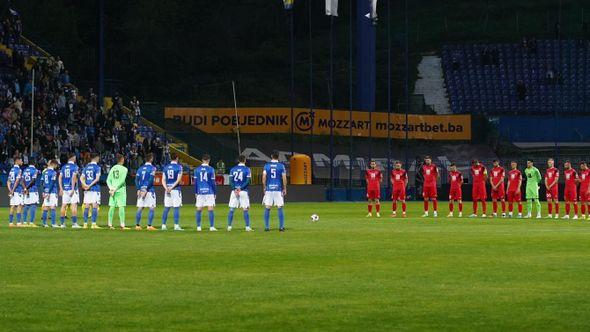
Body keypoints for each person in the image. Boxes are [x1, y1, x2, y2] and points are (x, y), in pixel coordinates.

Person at [262, 151, 287, 231]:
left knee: (268, 207)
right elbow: (284, 178)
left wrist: (264, 186)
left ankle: (266, 227)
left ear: (271, 156)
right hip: (278, 189)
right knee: (279, 207)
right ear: (278, 156)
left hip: (269, 189)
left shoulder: (267, 165)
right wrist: (285, 188)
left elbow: (264, 177)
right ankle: (281, 227)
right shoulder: (281, 166)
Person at [227, 155, 252, 231]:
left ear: (238, 160)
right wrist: (240, 188)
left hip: (234, 191)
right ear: (245, 160)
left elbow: (230, 181)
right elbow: (248, 181)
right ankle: (247, 227)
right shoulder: (247, 169)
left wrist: (235, 189)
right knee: (245, 209)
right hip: (243, 191)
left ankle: (229, 227)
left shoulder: (232, 169)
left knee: (231, 209)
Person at [135, 153, 157, 230]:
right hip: (149, 190)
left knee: (140, 207)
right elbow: (151, 180)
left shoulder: (140, 168)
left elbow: (136, 180)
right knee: (151, 207)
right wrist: (146, 190)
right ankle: (149, 226)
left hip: (141, 190)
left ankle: (137, 225)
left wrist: (138, 189)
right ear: (151, 159)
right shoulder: (153, 168)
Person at [195, 154, 217, 232]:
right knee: (210, 209)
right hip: (209, 191)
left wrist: (196, 192)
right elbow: (213, 182)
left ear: (202, 160)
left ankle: (198, 227)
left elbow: (196, 182)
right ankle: (211, 227)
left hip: (200, 191)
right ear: (209, 160)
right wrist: (215, 192)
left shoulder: (197, 169)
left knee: (199, 209)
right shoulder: (211, 169)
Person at [161, 154, 183, 231]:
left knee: (166, 208)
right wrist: (171, 187)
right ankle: (176, 226)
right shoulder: (179, 167)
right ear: (177, 158)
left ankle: (163, 225)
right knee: (176, 208)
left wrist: (167, 188)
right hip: (175, 190)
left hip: (167, 190)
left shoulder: (165, 167)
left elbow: (163, 180)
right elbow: (178, 180)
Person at [106, 154, 129, 229]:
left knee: (112, 206)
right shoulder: (124, 169)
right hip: (120, 190)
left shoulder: (112, 168)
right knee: (121, 206)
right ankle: (122, 225)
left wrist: (111, 189)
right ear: (122, 160)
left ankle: (110, 224)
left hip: (112, 190)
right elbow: (122, 181)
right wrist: (115, 189)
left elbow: (108, 180)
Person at [80, 153, 102, 229]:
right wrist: (89, 186)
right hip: (94, 189)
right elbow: (97, 179)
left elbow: (81, 178)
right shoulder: (97, 167)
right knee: (95, 205)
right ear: (96, 158)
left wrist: (85, 185)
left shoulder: (86, 167)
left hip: (87, 190)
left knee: (86, 205)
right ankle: (93, 224)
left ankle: (85, 224)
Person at [59, 154, 80, 228]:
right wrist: (73, 188)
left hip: (65, 189)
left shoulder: (63, 167)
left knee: (64, 205)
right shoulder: (75, 167)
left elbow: (60, 177)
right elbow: (74, 177)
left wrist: (61, 188)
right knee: (74, 205)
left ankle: (62, 224)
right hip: (72, 189)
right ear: (73, 158)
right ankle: (74, 224)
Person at [41, 160, 60, 227]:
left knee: (46, 207)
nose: (57, 166)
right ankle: (53, 223)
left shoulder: (44, 172)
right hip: (52, 192)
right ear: (53, 164)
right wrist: (49, 192)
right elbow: (52, 183)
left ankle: (44, 223)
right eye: (56, 165)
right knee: (53, 207)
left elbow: (42, 183)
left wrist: (44, 191)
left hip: (46, 191)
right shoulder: (54, 172)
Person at [21, 160, 39, 227]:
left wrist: (25, 188)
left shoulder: (25, 170)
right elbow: (33, 180)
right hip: (33, 190)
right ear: (34, 163)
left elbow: (22, 181)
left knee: (26, 205)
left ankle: (24, 222)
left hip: (26, 191)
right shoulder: (35, 170)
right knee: (33, 205)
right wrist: (27, 188)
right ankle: (31, 222)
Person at [7, 156, 24, 227]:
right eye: (21, 160)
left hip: (13, 191)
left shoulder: (11, 170)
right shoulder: (19, 170)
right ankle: (18, 223)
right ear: (17, 161)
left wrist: (10, 190)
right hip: (17, 190)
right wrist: (13, 190)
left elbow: (8, 181)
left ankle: (10, 223)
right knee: (19, 205)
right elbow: (17, 181)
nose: (22, 162)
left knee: (12, 206)